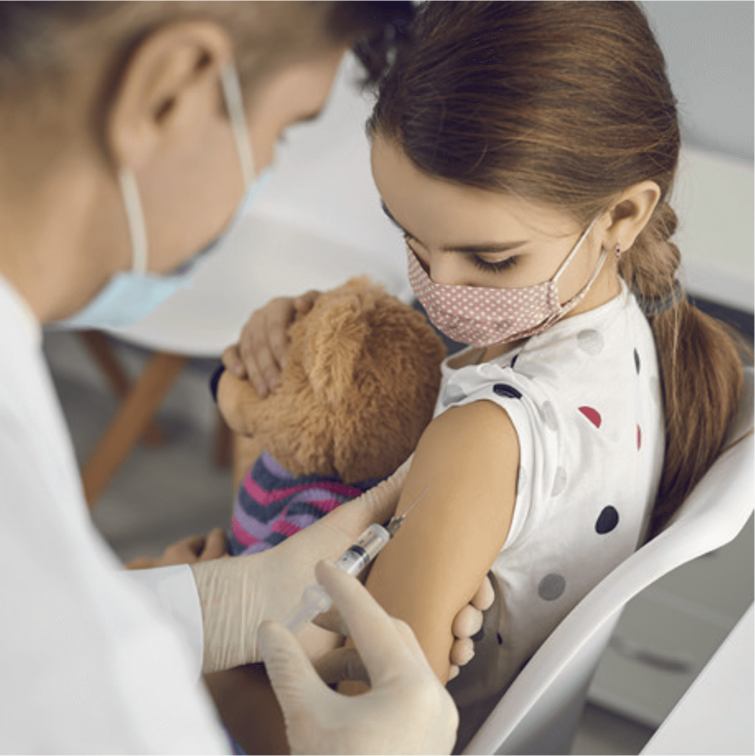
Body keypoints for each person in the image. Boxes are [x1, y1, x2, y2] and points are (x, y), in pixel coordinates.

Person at [225, 0, 747, 749]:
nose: (437, 285)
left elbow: (357, 739)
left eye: (491, 260)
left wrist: (205, 673)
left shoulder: (481, 436)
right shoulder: (633, 333)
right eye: (410, 235)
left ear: (622, 215)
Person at [0, 1, 487, 754]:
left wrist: (211, 611)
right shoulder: (99, 684)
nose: (263, 171)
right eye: (283, 130)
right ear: (172, 90)